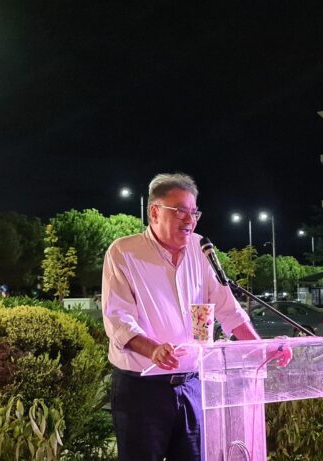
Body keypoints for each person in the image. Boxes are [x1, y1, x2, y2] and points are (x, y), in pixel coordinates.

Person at [102, 173, 281, 461]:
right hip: (142, 390)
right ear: (154, 212)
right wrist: (154, 350)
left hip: (193, 385)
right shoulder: (124, 252)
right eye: (180, 211)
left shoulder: (201, 249)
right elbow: (118, 319)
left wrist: (262, 349)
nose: (190, 220)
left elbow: (229, 310)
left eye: (194, 212)